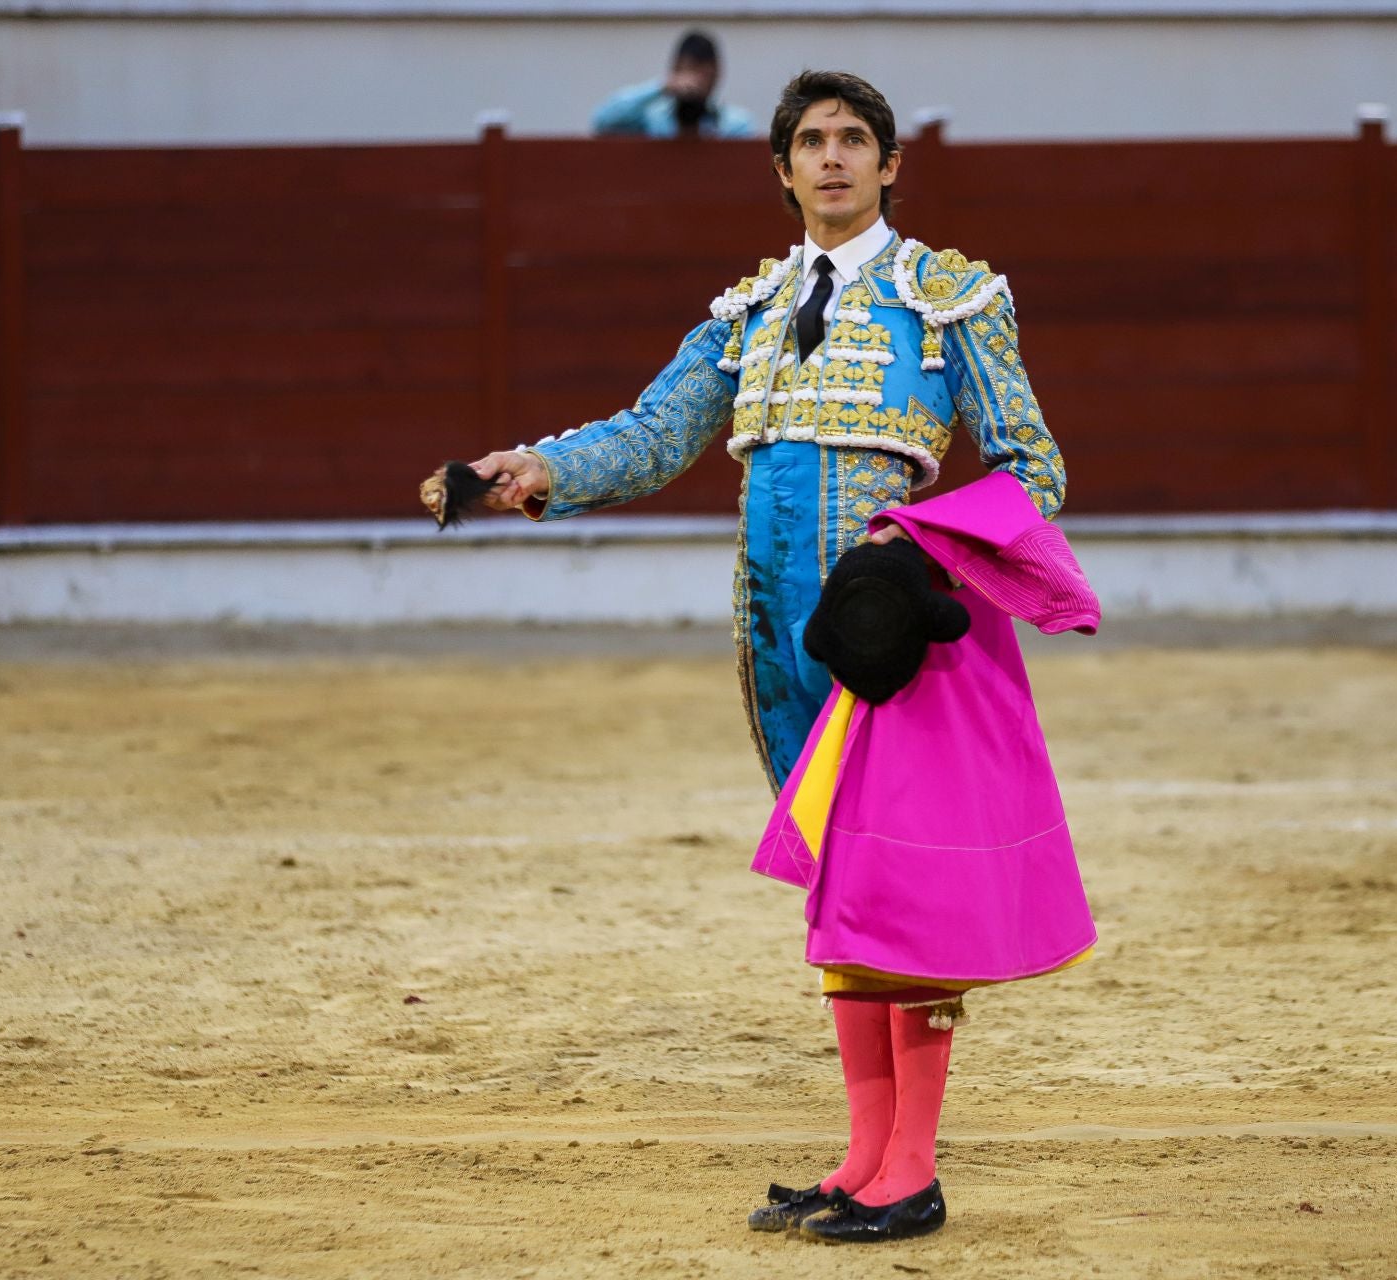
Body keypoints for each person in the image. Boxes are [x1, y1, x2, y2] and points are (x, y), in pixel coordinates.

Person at [464, 70, 1072, 1242]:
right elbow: (654, 433)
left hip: (891, 637)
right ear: (782, 168)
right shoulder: (746, 312)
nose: (833, 158)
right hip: (771, 637)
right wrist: (542, 467)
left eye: (854, 140)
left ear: (890, 165)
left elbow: (1032, 468)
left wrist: (920, 555)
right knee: (846, 885)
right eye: (811, 141)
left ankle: (914, 1167)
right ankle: (863, 1154)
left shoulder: (948, 296)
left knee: (904, 888)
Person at [591, 29, 754, 139]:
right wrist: (661, 87)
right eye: (687, 71)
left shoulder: (734, 125)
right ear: (675, 70)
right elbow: (603, 121)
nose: (693, 82)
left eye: (701, 73)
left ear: (715, 74)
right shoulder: (653, 119)